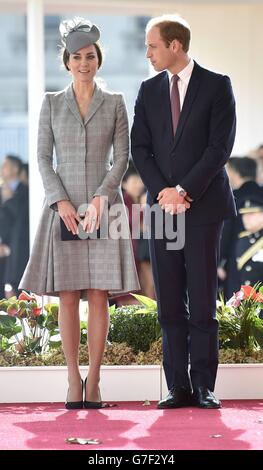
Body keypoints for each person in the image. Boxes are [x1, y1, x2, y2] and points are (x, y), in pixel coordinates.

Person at [19, 17, 140, 409]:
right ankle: (73, 381)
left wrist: (105, 197)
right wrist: (61, 201)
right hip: (64, 209)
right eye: (76, 57)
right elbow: (41, 158)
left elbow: (121, 158)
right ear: (67, 61)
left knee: (100, 294)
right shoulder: (51, 103)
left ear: (98, 60)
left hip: (105, 209)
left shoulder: (116, 103)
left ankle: (96, 381)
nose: (84, 62)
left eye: (90, 56)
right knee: (69, 296)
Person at [131, 14, 236, 409]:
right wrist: (164, 193)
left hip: (204, 207)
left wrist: (184, 190)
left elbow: (219, 149)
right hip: (161, 210)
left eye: (152, 45)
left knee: (204, 298)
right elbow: (140, 148)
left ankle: (205, 386)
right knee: (170, 300)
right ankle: (178, 386)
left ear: (175, 45)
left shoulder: (217, 85)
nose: (148, 53)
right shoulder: (147, 90)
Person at [219, 157, 263, 297]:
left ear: (234, 173)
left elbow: (225, 234)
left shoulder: (232, 197)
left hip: (236, 261)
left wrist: (218, 262)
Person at [0, 155, 29, 297]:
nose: (1, 169)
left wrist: (8, 200)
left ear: (15, 169)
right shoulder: (2, 191)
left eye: (5, 166)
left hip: (17, 252)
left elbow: (21, 220)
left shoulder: (25, 191)